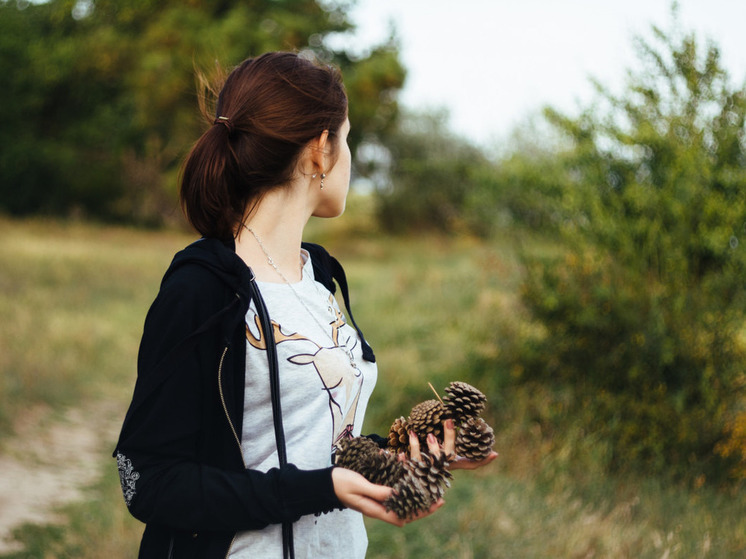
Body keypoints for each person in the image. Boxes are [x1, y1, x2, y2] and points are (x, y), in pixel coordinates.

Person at [113, 51, 496, 559]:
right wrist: (321, 489)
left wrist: (399, 454)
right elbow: (149, 481)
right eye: (348, 137)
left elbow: (313, 446)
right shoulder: (201, 291)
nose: (350, 157)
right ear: (320, 149)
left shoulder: (319, 281)